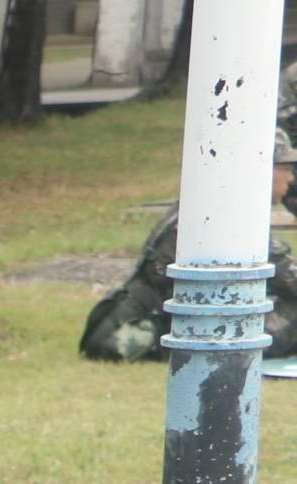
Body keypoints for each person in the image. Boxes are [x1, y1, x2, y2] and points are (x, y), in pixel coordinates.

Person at [81, 134, 297, 365]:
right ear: (263, 171)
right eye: (285, 169)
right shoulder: (232, 215)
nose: (291, 178)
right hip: (173, 328)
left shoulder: (210, 201)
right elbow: (289, 279)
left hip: (156, 319)